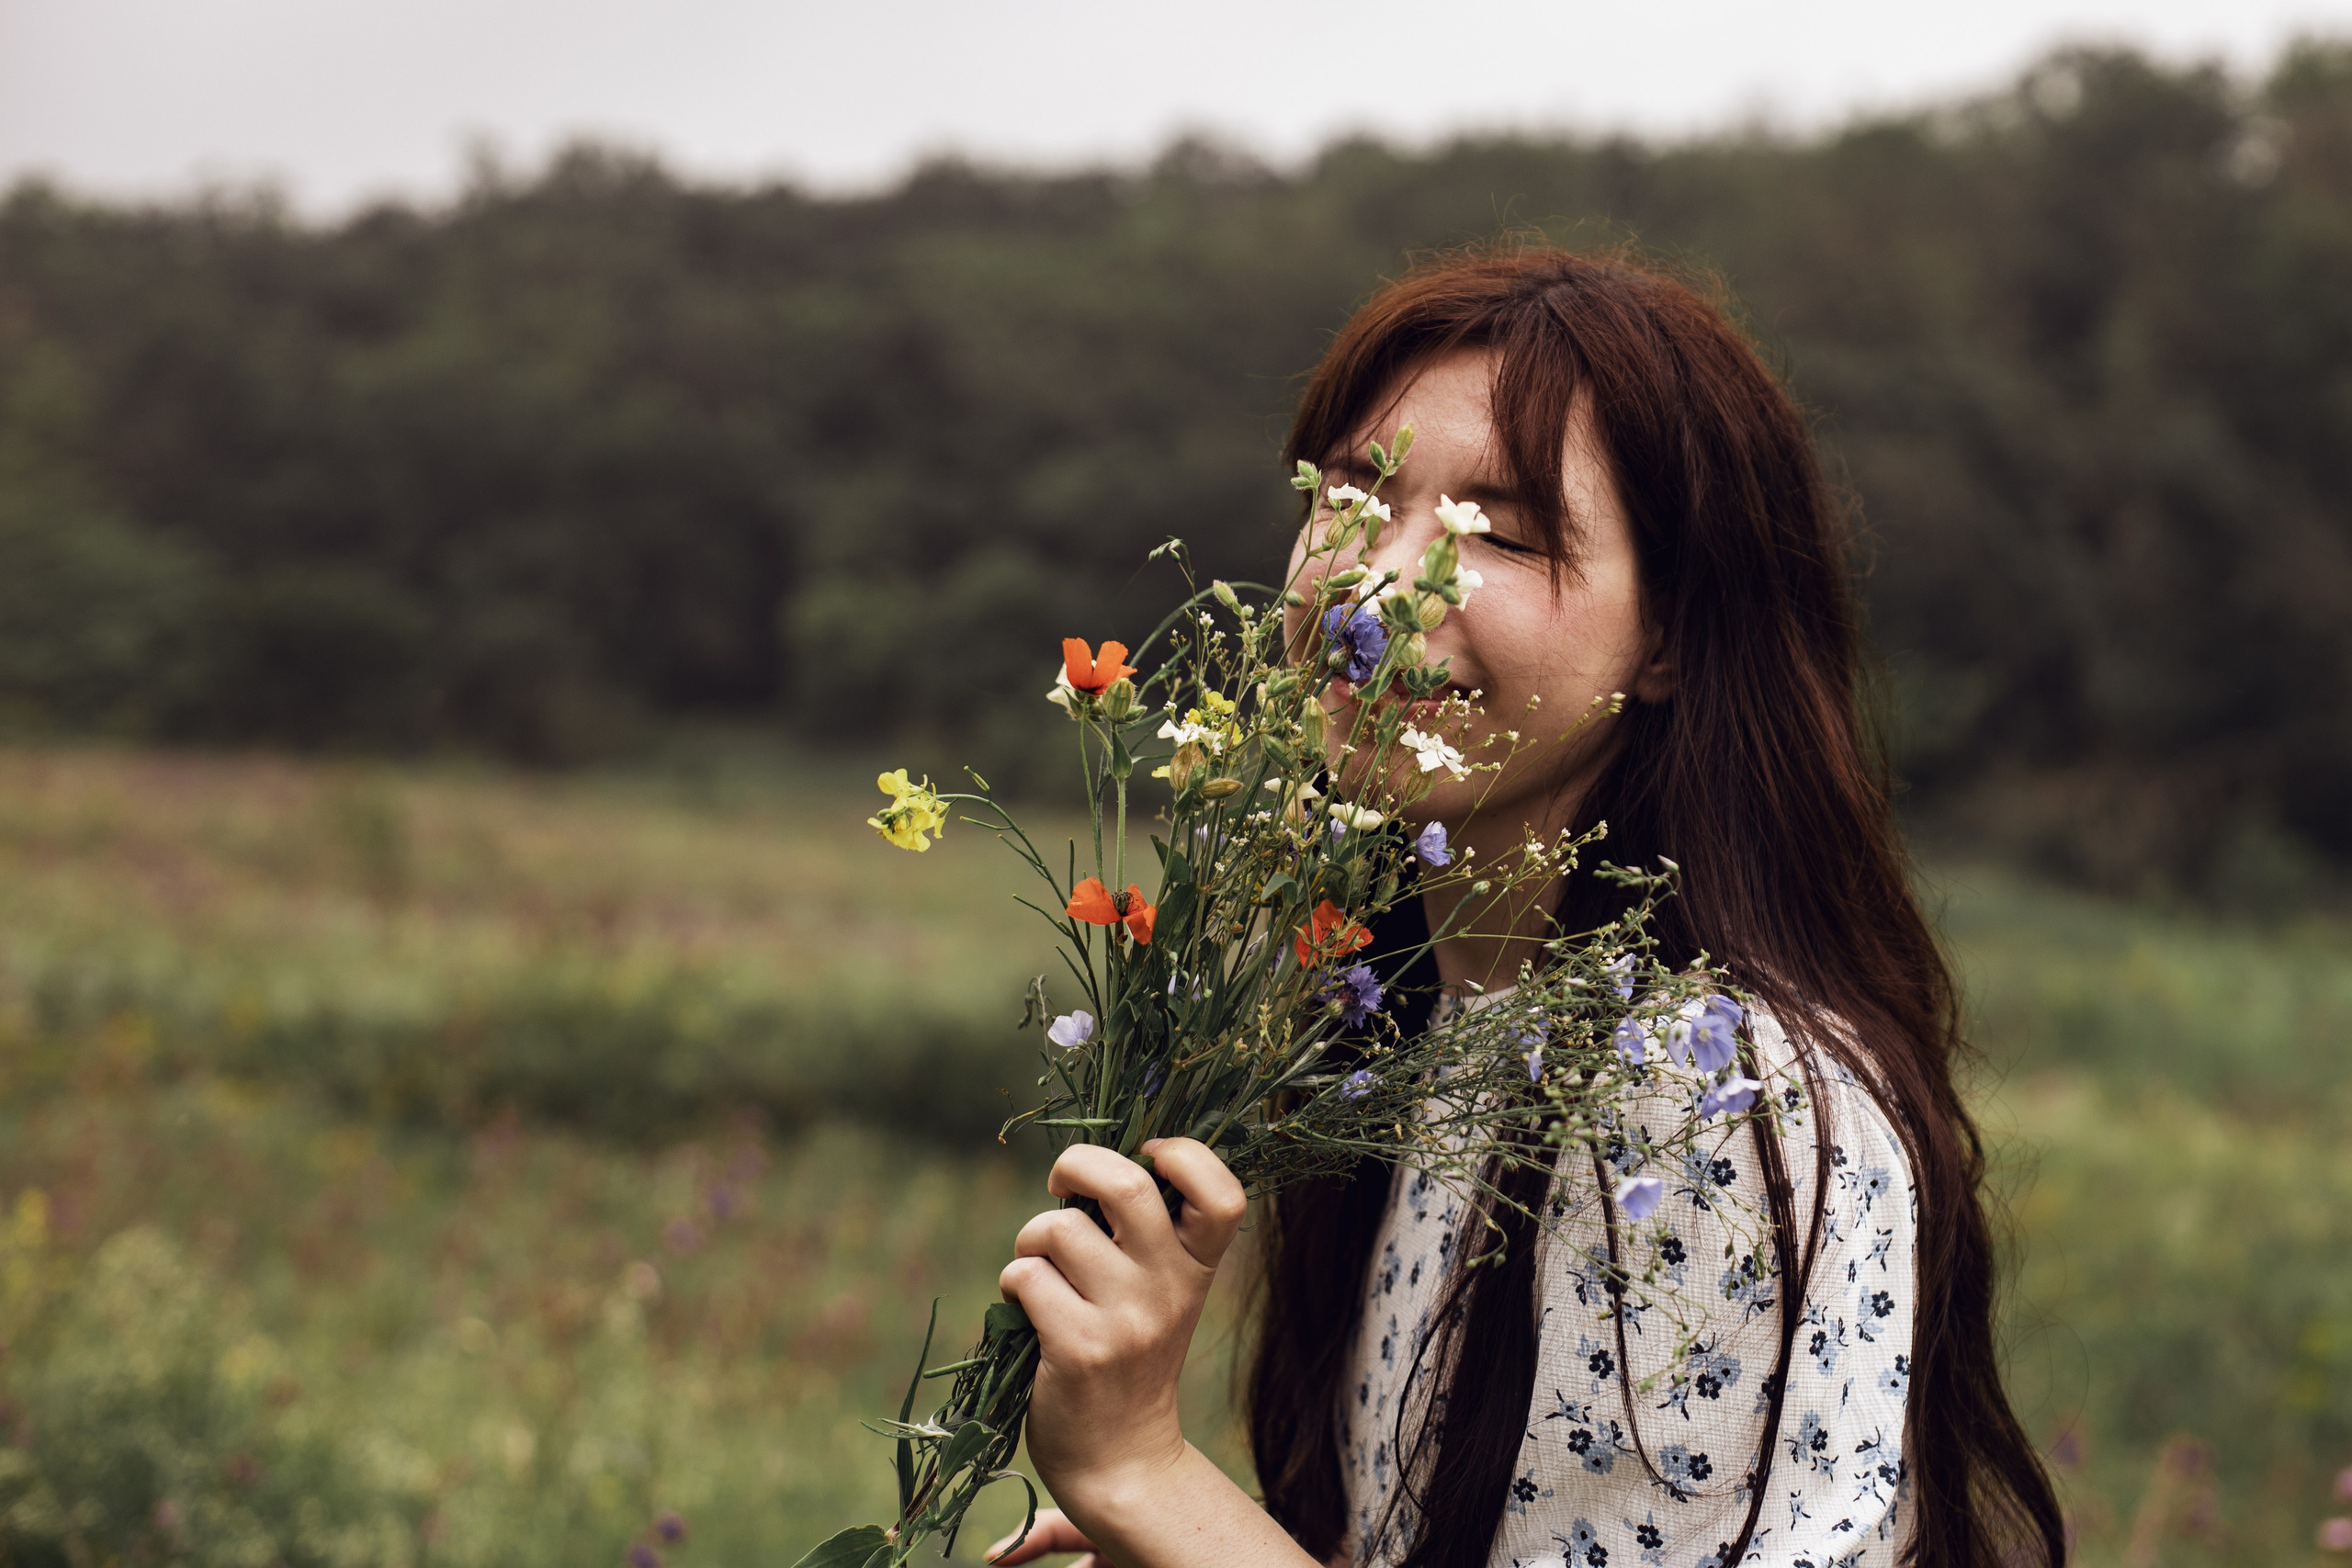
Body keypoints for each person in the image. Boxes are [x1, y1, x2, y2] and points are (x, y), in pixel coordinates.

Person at [985, 248, 2066, 1568]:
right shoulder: (1411, 1016)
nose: (1381, 592)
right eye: (1354, 496)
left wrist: (1144, 1471)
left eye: (1500, 533)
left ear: (1668, 637)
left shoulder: (1712, 1091)